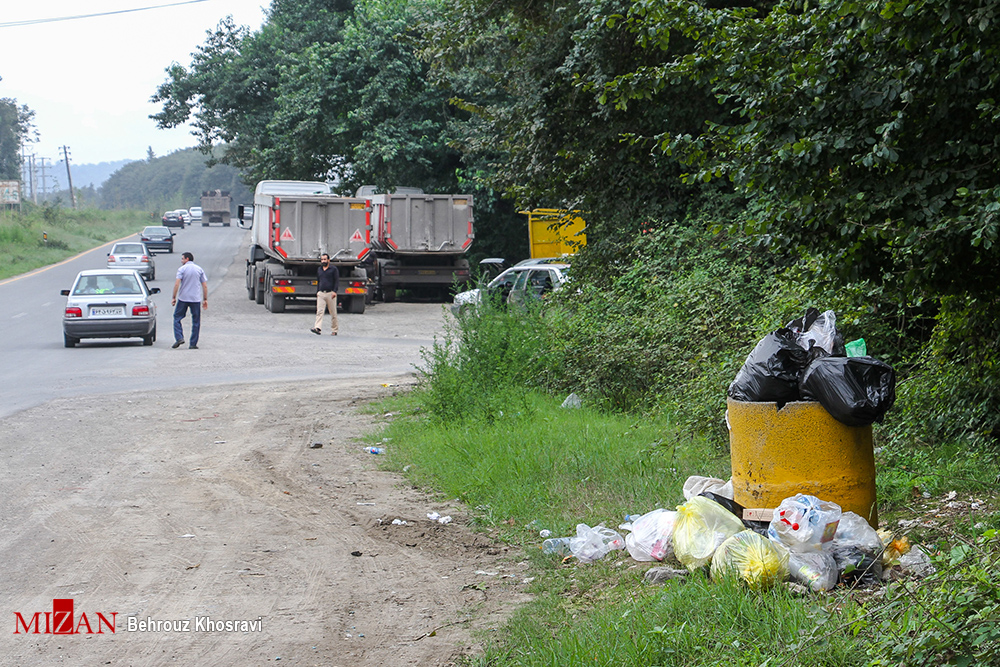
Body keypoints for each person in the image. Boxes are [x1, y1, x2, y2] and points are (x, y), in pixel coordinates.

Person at [171, 252, 208, 349]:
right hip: (195, 298)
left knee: (177, 317)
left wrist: (174, 297)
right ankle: (193, 343)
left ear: (187, 259)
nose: (181, 260)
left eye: (182, 259)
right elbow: (204, 285)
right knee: (196, 321)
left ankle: (179, 337)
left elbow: (177, 284)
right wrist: (205, 299)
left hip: (183, 298)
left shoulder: (182, 269)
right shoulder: (199, 269)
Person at [311, 253, 339, 336]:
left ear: (328, 260)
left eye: (325, 259)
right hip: (321, 293)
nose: (323, 261)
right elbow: (318, 280)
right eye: (322, 259)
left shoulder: (333, 269)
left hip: (330, 293)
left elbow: (336, 281)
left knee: (333, 313)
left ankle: (334, 330)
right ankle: (317, 328)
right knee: (319, 311)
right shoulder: (319, 269)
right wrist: (318, 291)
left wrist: (335, 291)